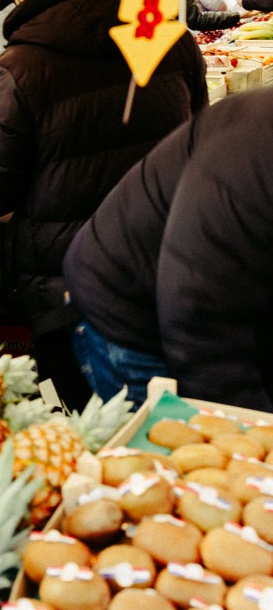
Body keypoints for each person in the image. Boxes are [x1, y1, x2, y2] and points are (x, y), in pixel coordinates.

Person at [0, 0, 208, 410]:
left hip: (77, 285)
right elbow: (201, 137)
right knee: (175, 435)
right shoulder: (167, 32)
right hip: (173, 262)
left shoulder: (20, 68)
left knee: (109, 437)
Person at [64, 87, 273, 412]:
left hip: (223, 309)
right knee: (164, 454)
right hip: (136, 318)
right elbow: (201, 326)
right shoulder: (245, 164)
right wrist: (255, 429)